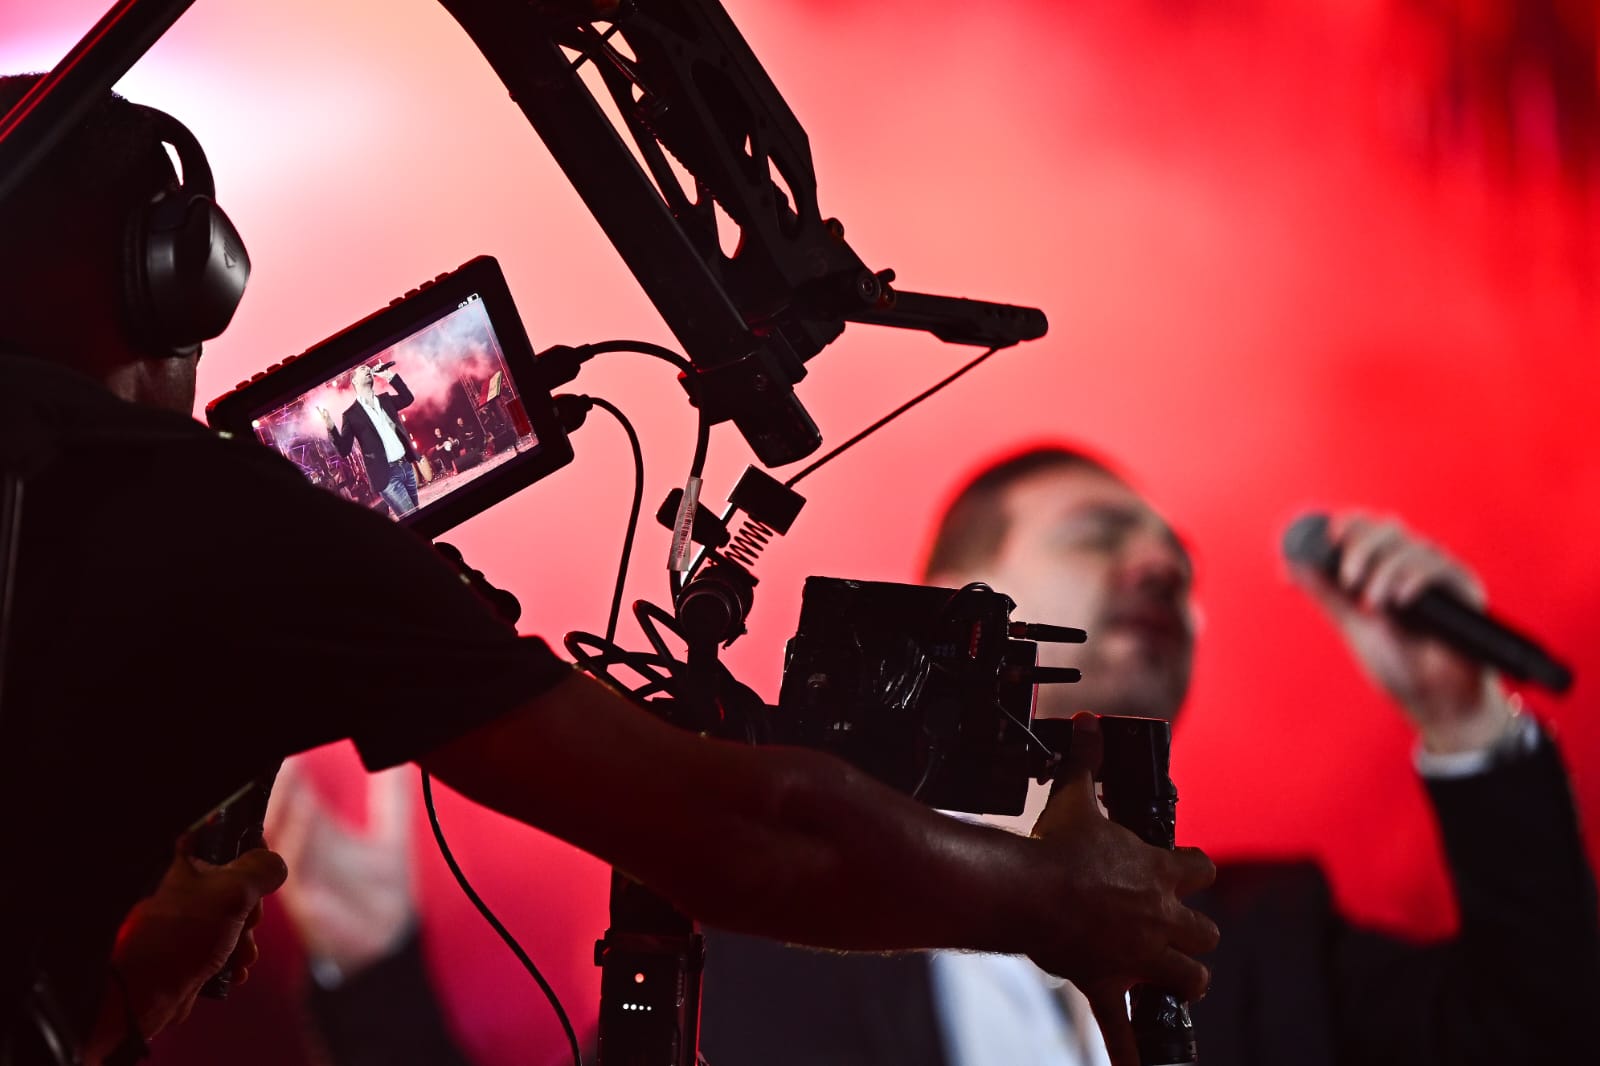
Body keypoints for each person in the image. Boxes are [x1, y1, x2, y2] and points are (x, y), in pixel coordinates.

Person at [0, 79, 1216, 1066]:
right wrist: (1059, 897)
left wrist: (114, 1004)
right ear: (163, 283)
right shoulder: (225, 515)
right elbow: (746, 835)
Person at [694, 445, 1600, 1066]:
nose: (1161, 569)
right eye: (1097, 535)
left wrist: (1461, 711)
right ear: (953, 599)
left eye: (1181, 564)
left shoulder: (1268, 941)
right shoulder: (771, 924)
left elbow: (1538, 1038)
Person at [318, 365, 420, 516]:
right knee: (412, 516)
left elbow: (408, 398)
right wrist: (331, 427)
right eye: (362, 369)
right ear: (354, 381)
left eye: (368, 368)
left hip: (406, 466)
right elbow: (344, 450)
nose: (367, 370)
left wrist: (390, 376)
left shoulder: (385, 400)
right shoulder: (351, 415)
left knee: (417, 514)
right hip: (387, 475)